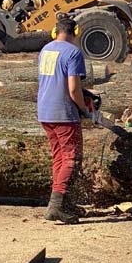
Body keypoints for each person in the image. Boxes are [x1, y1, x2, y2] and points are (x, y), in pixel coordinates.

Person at [37, 16, 89, 224]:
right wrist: (84, 108)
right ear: (75, 32)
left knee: (58, 158)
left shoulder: (45, 50)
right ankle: (56, 206)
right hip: (63, 112)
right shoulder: (73, 52)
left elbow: (56, 80)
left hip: (45, 111)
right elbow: (73, 89)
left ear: (55, 31)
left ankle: (61, 202)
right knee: (71, 158)